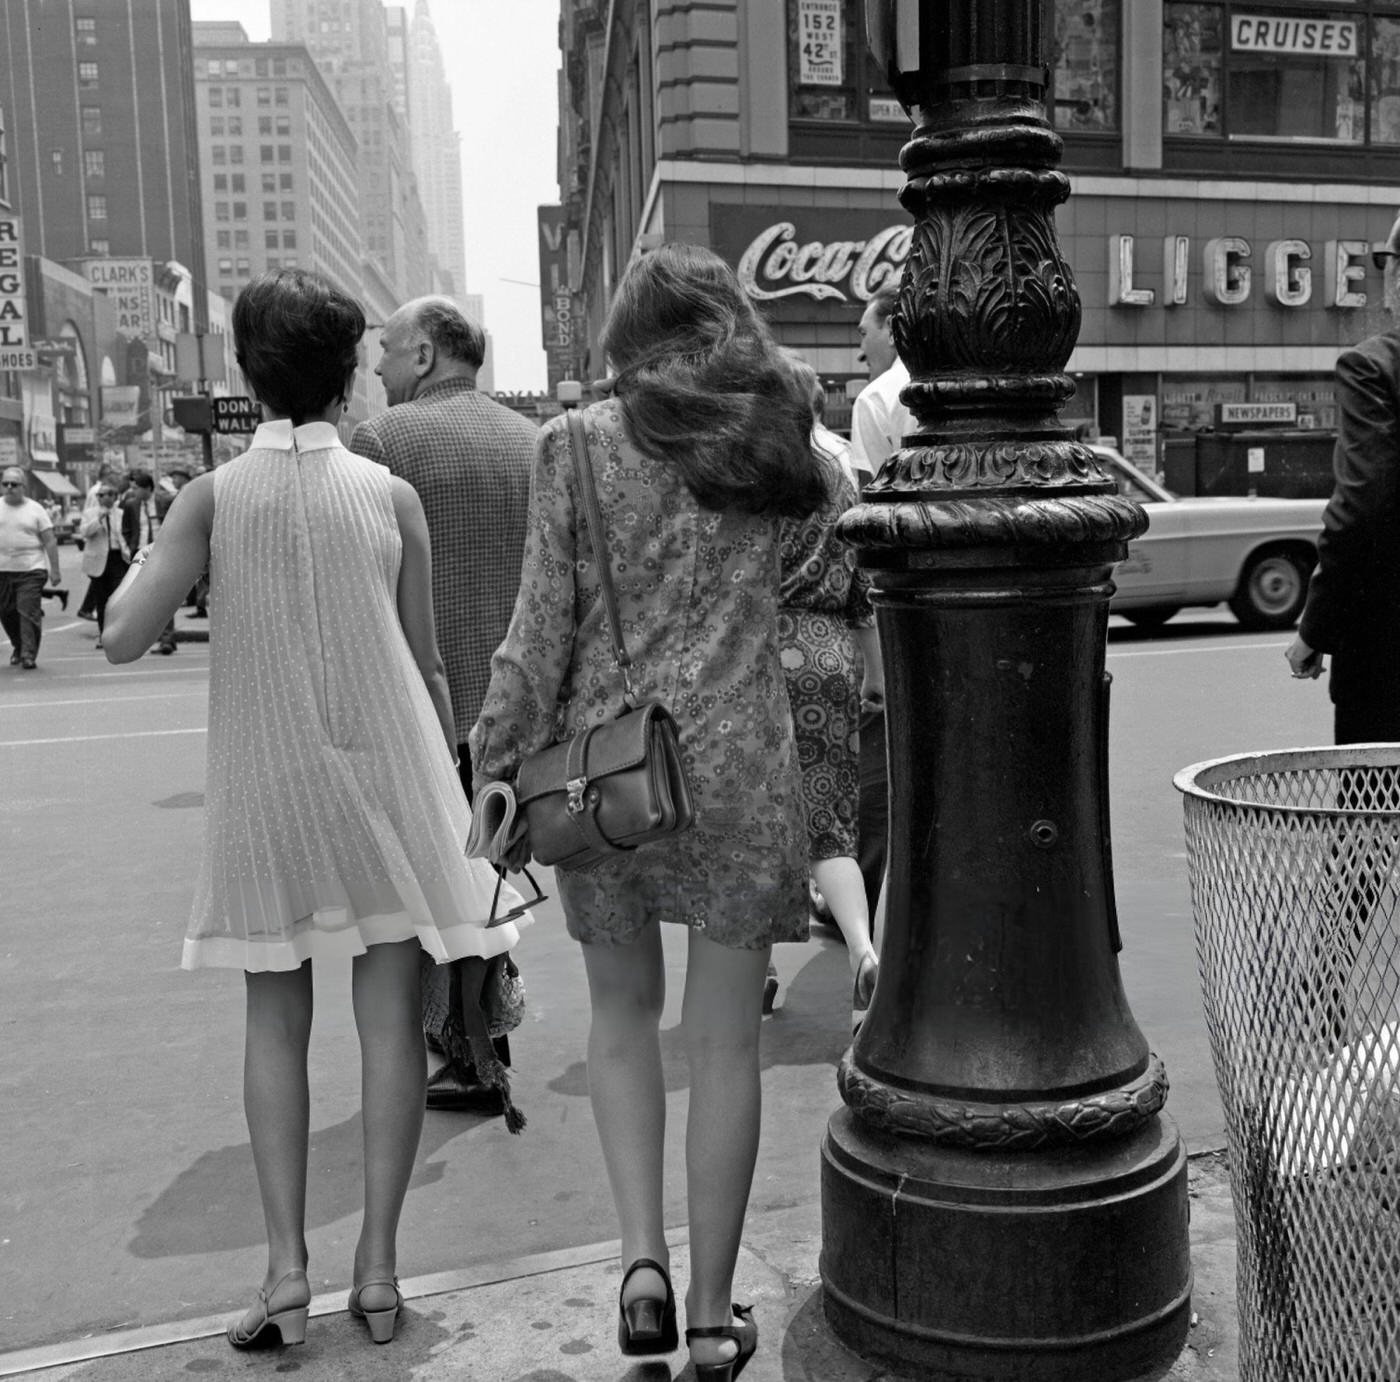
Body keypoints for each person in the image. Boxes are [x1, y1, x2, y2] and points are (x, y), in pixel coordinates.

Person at [102, 268, 528, 1352]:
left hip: (269, 794)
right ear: (350, 374)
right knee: (389, 1025)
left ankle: (286, 1272)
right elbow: (428, 665)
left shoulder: (210, 495)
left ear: (246, 375)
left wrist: (136, 562)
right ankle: (377, 1273)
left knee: (273, 1025)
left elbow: (119, 635)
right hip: (388, 780)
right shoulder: (388, 497)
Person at [471, 243, 824, 1382]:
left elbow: (541, 623)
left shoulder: (572, 444)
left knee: (622, 1018)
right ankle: (717, 1316)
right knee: (724, 1045)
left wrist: (492, 754)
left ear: (623, 342)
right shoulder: (782, 436)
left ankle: (638, 1272)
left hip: (606, 774)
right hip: (739, 763)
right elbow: (835, 579)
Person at [351, 296, 538, 1112]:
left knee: (440, 892)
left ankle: (471, 1050)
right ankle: (480, 1038)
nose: (377, 368)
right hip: (520, 713)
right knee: (489, 876)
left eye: (387, 351)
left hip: (426, 706)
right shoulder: (534, 443)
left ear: (424, 354)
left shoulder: (384, 443)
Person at [774, 351, 882, 1025]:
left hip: (757, 655)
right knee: (831, 819)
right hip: (828, 651)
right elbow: (863, 591)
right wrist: (874, 671)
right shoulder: (838, 480)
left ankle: (755, 973)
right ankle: (864, 952)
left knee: (754, 820)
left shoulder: (745, 479)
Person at [1286, 209, 1400, 743]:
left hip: (1385, 651)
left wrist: (1315, 627)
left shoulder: (1373, 367)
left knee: (1371, 817)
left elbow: (1362, 507)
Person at [846, 286, 911, 925]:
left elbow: (873, 513)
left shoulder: (878, 399)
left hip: (900, 602)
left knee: (882, 761)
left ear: (892, 328)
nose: (858, 343)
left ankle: (860, 901)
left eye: (863, 329)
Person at [0, 466, 63, 669]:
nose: (10, 488)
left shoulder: (35, 509)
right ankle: (18, 646)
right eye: (6, 484)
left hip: (31, 570)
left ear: (23, 487)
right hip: (3, 571)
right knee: (6, 612)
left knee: (27, 612)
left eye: (14, 484)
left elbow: (50, 541)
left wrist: (55, 570)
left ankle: (29, 654)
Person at [121, 471, 176, 655]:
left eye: (137, 489)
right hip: (141, 553)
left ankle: (167, 639)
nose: (134, 492)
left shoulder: (164, 502)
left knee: (164, 596)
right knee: (143, 599)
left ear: (148, 489)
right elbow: (126, 529)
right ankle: (151, 638)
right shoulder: (131, 505)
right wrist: (131, 547)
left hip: (163, 553)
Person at [77, 479, 130, 649]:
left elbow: (126, 534)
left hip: (117, 558)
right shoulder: (91, 513)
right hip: (99, 560)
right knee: (101, 600)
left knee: (118, 597)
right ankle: (103, 635)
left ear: (114, 496)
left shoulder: (121, 513)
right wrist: (98, 519)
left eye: (106, 494)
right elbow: (84, 532)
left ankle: (118, 634)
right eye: (99, 495)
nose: (102, 498)